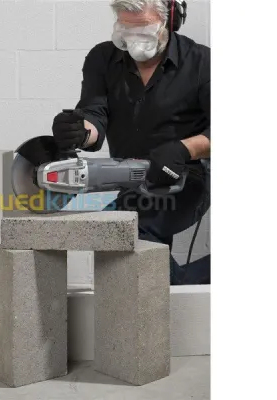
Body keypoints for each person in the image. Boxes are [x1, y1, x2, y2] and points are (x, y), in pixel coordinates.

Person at [51, 0, 210, 285]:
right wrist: (80, 132)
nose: (134, 37)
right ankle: (184, 285)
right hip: (130, 176)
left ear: (170, 21)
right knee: (112, 234)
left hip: (184, 177)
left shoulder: (202, 62)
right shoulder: (102, 58)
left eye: (144, 27)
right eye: (126, 27)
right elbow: (95, 115)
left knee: (132, 233)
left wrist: (183, 149)